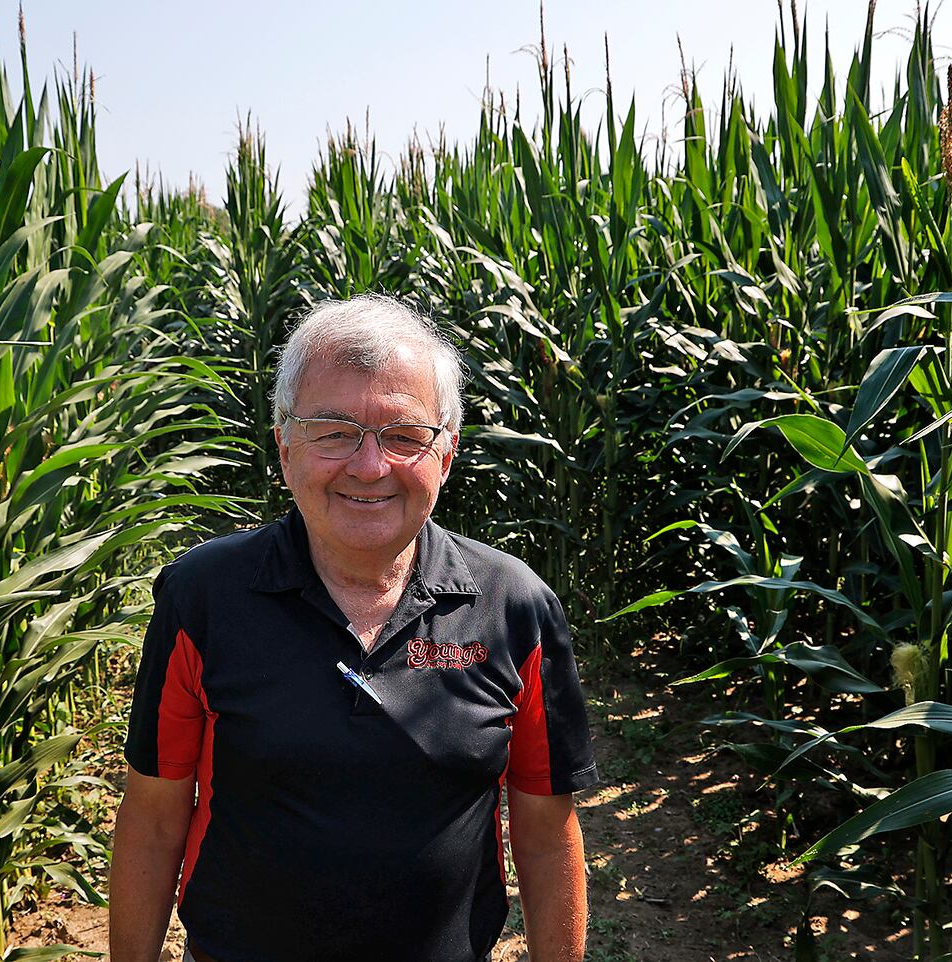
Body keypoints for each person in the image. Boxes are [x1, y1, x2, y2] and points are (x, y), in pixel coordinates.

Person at [109, 294, 598, 962]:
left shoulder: (513, 608)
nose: (369, 467)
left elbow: (545, 836)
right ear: (284, 446)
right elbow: (154, 817)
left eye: (402, 436)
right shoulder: (203, 599)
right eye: (333, 432)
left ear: (447, 453)